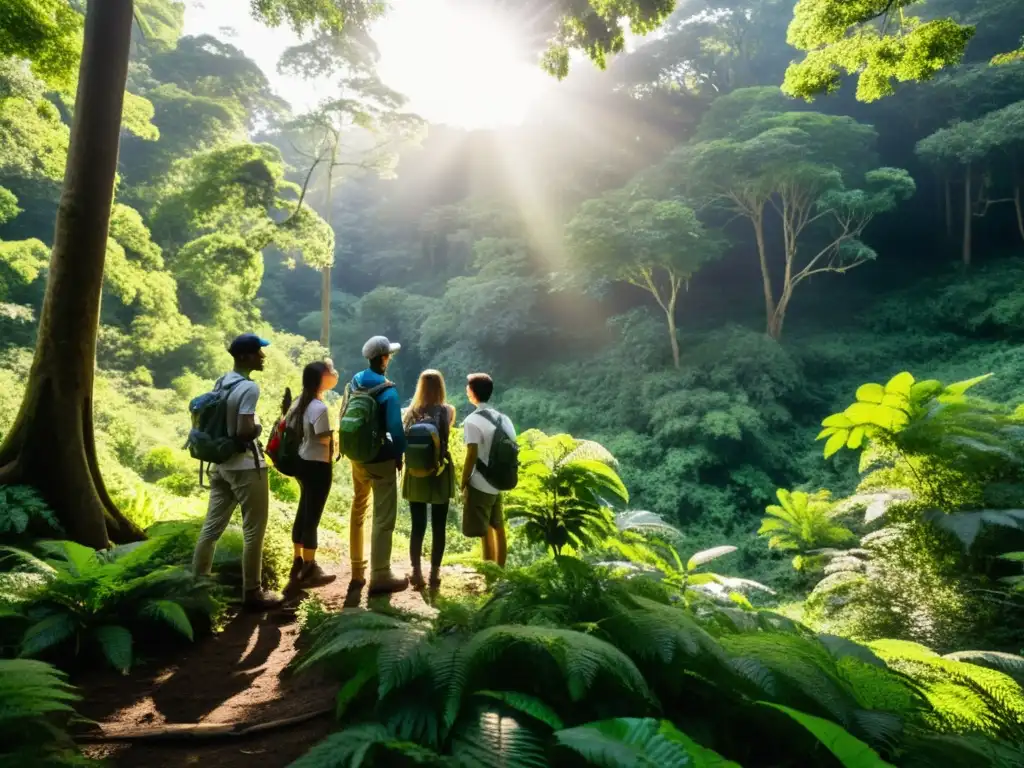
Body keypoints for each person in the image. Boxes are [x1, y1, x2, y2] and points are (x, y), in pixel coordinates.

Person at [192, 333, 282, 611]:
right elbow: (244, 430)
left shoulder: (222, 381)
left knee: (211, 528)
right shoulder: (249, 388)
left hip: (220, 466)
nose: (262, 356)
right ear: (245, 357)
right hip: (245, 467)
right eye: (258, 352)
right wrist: (259, 428)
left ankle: (196, 585)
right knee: (254, 530)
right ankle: (252, 592)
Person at [346, 336, 409, 595]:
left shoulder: (355, 381)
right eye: (388, 356)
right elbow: (395, 428)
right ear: (383, 359)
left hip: (356, 455)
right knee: (383, 517)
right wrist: (399, 453)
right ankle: (380, 574)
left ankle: (357, 571)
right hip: (380, 458)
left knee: (358, 509)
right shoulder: (387, 390)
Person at [283, 359, 340, 591]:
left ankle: (298, 560)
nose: (334, 373)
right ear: (321, 379)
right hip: (318, 463)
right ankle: (310, 567)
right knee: (312, 517)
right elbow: (323, 436)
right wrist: (336, 433)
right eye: (330, 371)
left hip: (302, 461)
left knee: (304, 509)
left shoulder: (299, 402)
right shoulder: (319, 407)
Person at [402, 370, 456, 591]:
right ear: (441, 387)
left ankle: (416, 573)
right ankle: (435, 574)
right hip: (440, 471)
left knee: (418, 524)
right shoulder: (448, 411)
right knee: (439, 525)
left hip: (415, 472)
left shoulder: (410, 412)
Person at [461, 372, 515, 567]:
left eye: (468, 387)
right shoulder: (504, 419)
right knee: (498, 528)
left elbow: (471, 455)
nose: (466, 389)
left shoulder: (471, 421)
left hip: (480, 483)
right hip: (498, 482)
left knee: (483, 531)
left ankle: (489, 574)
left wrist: (463, 481)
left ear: (473, 393)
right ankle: (501, 572)